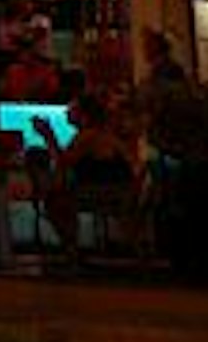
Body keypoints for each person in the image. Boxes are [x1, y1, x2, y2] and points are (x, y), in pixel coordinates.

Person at [32, 95, 137, 257]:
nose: (66, 112)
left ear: (84, 115)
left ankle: (71, 248)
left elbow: (64, 161)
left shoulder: (88, 136)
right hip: (121, 193)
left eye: (71, 109)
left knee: (55, 200)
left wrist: (48, 135)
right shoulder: (106, 134)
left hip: (101, 194)